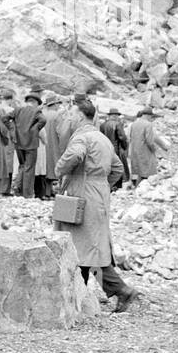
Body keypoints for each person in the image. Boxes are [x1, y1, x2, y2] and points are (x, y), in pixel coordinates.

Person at [55, 98, 141, 312]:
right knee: (87, 245)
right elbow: (118, 168)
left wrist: (60, 169)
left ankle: (121, 290)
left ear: (80, 116)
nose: (70, 118)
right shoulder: (101, 138)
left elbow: (74, 155)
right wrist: (103, 186)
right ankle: (80, 294)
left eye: (72, 114)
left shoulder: (82, 138)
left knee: (82, 245)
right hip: (98, 194)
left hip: (82, 194)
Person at [11, 91, 45, 198]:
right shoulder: (36, 111)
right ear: (35, 102)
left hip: (19, 142)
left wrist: (13, 130)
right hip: (31, 143)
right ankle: (28, 194)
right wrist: (35, 129)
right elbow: (43, 120)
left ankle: (18, 187)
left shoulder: (18, 110)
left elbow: (5, 118)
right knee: (30, 168)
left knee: (22, 165)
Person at [127, 107, 166, 185]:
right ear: (148, 115)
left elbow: (130, 138)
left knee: (138, 171)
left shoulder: (134, 124)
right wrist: (153, 149)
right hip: (145, 151)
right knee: (147, 173)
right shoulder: (148, 124)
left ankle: (136, 188)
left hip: (135, 151)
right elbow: (149, 141)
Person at [38, 94, 63, 200]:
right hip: (55, 145)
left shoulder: (42, 114)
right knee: (55, 169)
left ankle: (46, 192)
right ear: (54, 104)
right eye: (58, 103)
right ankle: (55, 191)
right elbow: (61, 131)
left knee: (46, 169)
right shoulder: (57, 115)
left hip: (43, 145)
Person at [99, 108, 129, 190]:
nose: (117, 117)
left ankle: (107, 185)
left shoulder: (102, 125)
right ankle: (115, 185)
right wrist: (125, 147)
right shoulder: (118, 124)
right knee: (117, 168)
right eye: (116, 115)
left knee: (107, 167)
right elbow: (122, 137)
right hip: (116, 149)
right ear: (115, 116)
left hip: (104, 149)